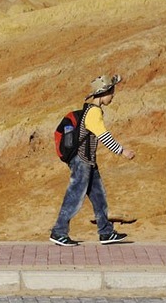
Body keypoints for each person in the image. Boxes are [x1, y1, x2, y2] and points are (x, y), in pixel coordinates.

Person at [50, 74, 136, 246]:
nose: (113, 96)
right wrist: (122, 151)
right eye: (112, 92)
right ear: (103, 93)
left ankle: (106, 232)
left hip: (88, 161)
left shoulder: (91, 111)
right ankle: (58, 231)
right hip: (81, 161)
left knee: (99, 197)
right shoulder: (94, 112)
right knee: (75, 196)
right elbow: (104, 136)